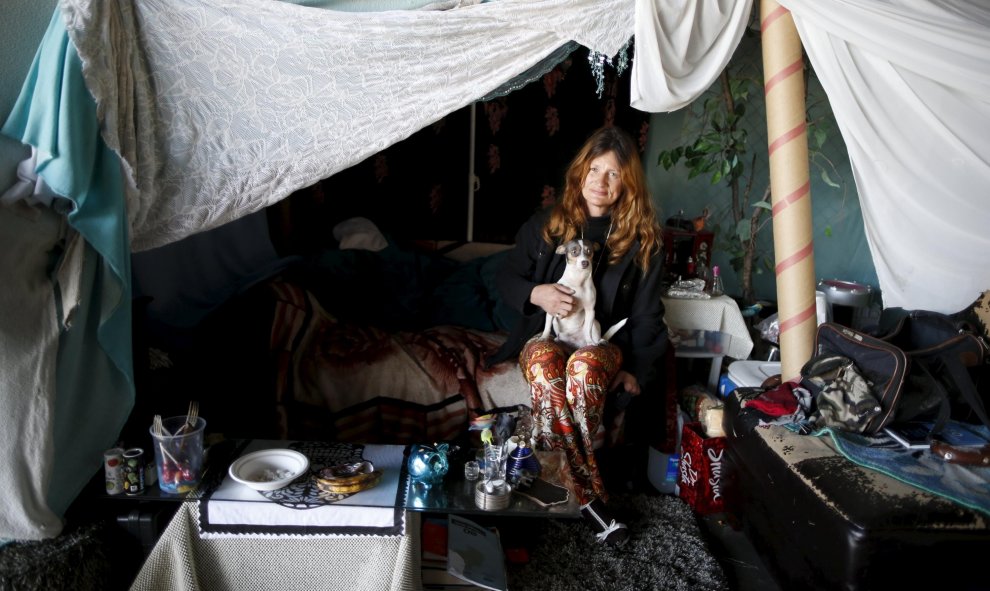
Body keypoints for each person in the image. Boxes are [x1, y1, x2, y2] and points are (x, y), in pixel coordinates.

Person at [487, 126, 668, 546]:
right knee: (546, 365)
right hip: (546, 336)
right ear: (581, 171)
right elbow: (506, 275)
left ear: (629, 185)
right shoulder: (549, 225)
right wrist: (537, 293)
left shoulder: (643, 242)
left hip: (604, 346)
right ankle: (591, 499)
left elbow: (647, 317)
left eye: (613, 174)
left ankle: (554, 490)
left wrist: (634, 369)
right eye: (594, 168)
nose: (600, 181)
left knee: (584, 370)